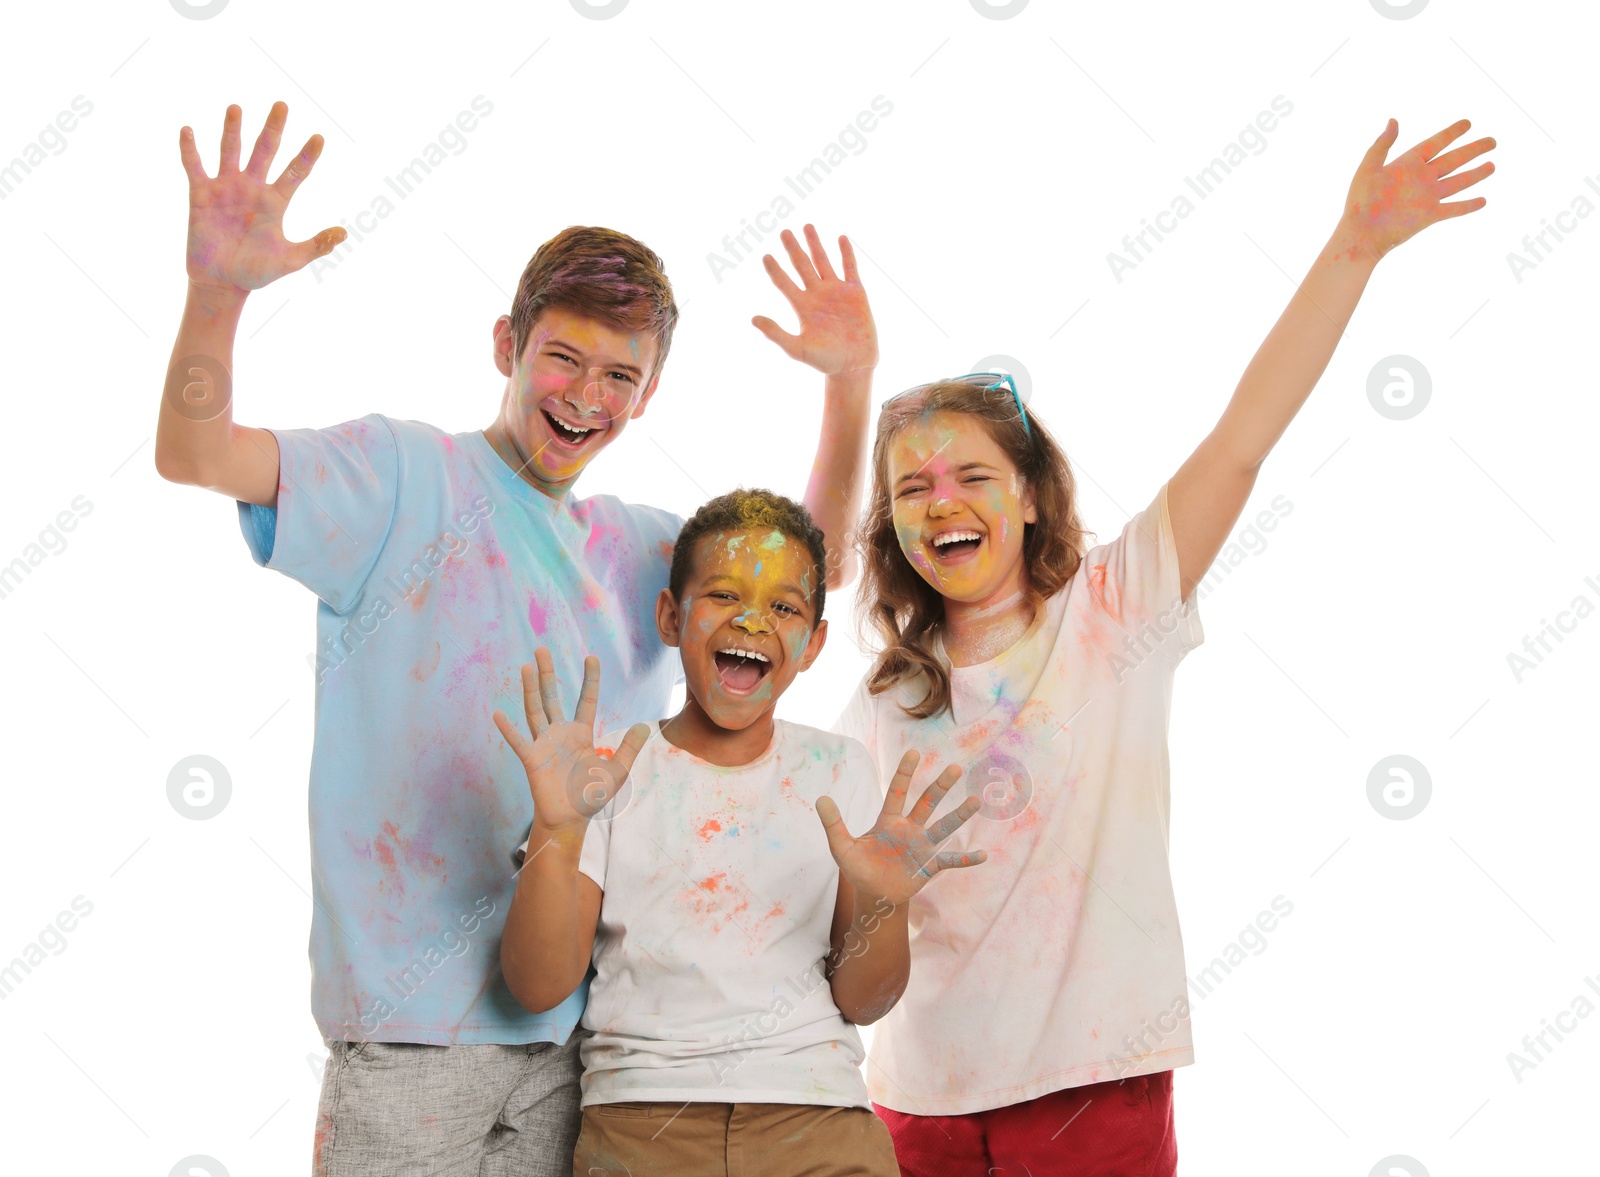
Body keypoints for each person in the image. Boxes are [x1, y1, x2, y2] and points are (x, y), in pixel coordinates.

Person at [154, 101, 879, 1176]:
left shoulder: (633, 548)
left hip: (576, 1041)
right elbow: (194, 451)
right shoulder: (399, 476)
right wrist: (217, 293)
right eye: (562, 357)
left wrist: (848, 385)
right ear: (506, 343)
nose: (586, 396)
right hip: (406, 1038)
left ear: (649, 392)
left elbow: (795, 569)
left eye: (620, 376)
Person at [834, 118, 1497, 1175]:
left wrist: (1353, 247)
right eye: (912, 487)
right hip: (917, 1098)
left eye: (971, 477)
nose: (941, 503)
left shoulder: (1113, 607)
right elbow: (849, 925)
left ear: (1029, 498)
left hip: (1095, 1083)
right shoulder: (881, 698)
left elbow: (1241, 441)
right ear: (893, 527)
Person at [495, 489, 986, 1177]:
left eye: (783, 606)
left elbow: (863, 1000)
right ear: (671, 616)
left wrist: (885, 901)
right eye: (725, 594)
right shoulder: (604, 772)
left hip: (818, 1124)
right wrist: (557, 829)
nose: (753, 619)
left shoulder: (837, 767)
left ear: (813, 642)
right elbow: (537, 984)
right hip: (643, 1124)